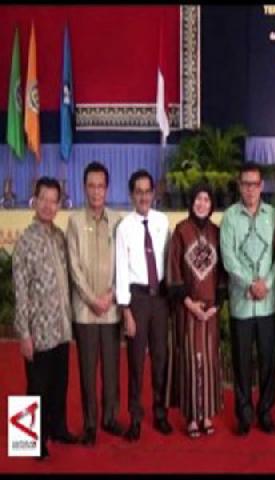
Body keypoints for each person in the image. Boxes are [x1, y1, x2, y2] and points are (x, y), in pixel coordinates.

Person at [13, 177, 79, 460]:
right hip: (38, 330)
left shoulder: (59, 237)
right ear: (35, 200)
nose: (49, 206)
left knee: (59, 383)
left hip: (61, 327)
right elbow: (20, 290)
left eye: (54, 201)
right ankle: (29, 442)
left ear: (59, 204)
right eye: (44, 200)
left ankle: (58, 428)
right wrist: (24, 334)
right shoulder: (25, 241)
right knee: (35, 386)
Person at [67, 162, 125, 446]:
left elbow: (124, 263)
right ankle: (90, 424)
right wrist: (92, 299)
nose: (96, 191)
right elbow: (74, 267)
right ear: (84, 188)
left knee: (111, 370)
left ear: (107, 189)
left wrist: (111, 296)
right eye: (91, 186)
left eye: (101, 186)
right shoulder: (74, 222)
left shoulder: (118, 221)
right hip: (85, 311)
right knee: (88, 371)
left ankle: (110, 418)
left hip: (111, 309)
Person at [220, 163, 275, 437]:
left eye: (255, 184)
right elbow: (228, 258)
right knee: (242, 362)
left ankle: (265, 412)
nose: (250, 189)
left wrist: (266, 284)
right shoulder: (230, 217)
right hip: (241, 304)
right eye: (245, 184)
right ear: (239, 186)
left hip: (267, 303)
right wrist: (250, 284)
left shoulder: (273, 215)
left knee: (268, 361)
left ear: (261, 186)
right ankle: (244, 414)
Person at [115, 169, 172, 441]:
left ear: (153, 193)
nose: (144, 197)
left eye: (148, 191)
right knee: (136, 362)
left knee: (161, 358)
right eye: (138, 192)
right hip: (136, 300)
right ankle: (135, 418)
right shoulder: (124, 228)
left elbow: (170, 261)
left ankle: (160, 413)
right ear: (131, 195)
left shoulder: (162, 221)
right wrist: (125, 311)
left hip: (160, 299)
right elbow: (121, 270)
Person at [167, 183, 225, 438]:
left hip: (210, 312)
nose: (202, 203)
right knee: (191, 361)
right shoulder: (181, 231)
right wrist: (189, 303)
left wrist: (215, 305)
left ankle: (208, 414)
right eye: (198, 199)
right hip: (188, 309)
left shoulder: (217, 232)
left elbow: (223, 272)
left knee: (210, 360)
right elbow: (173, 270)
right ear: (191, 202)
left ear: (212, 204)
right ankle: (192, 417)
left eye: (207, 199)